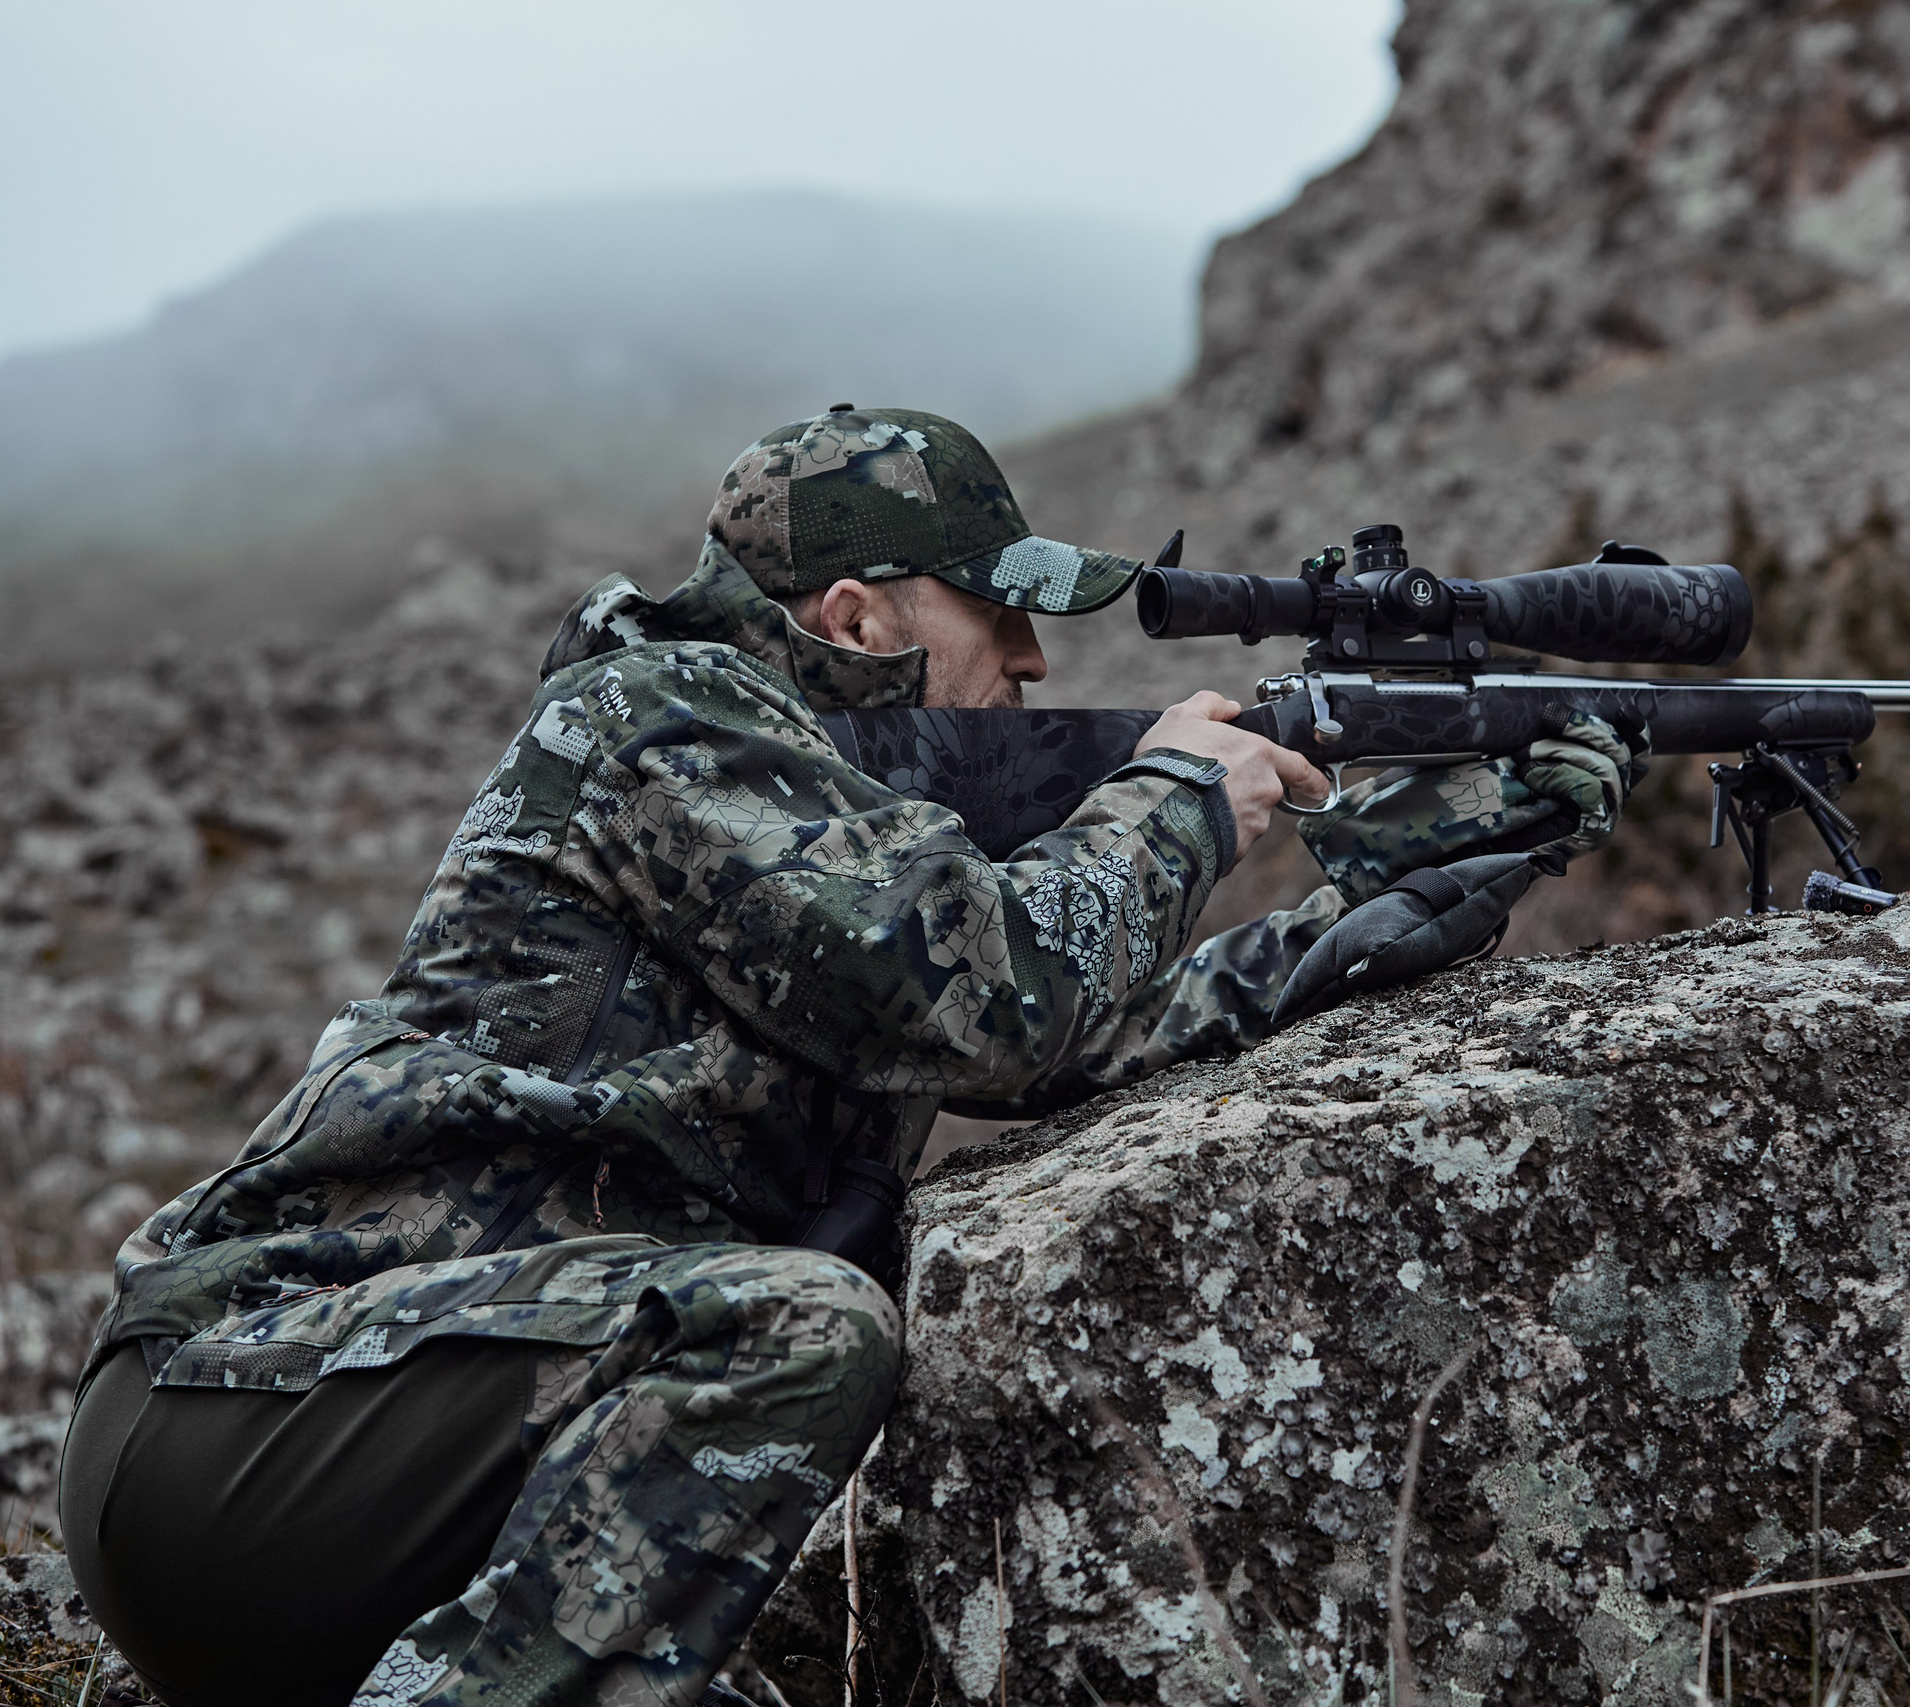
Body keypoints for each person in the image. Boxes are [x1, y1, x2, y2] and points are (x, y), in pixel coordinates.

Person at [57, 407, 1642, 1707]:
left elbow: (1074, 1042)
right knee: (798, 1332)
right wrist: (1173, 798)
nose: (1031, 666)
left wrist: (1399, 904)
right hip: (235, 1423)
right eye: (999, 616)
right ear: (858, 617)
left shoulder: (823, 828)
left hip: (406, 1481)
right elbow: (986, 997)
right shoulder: (659, 719)